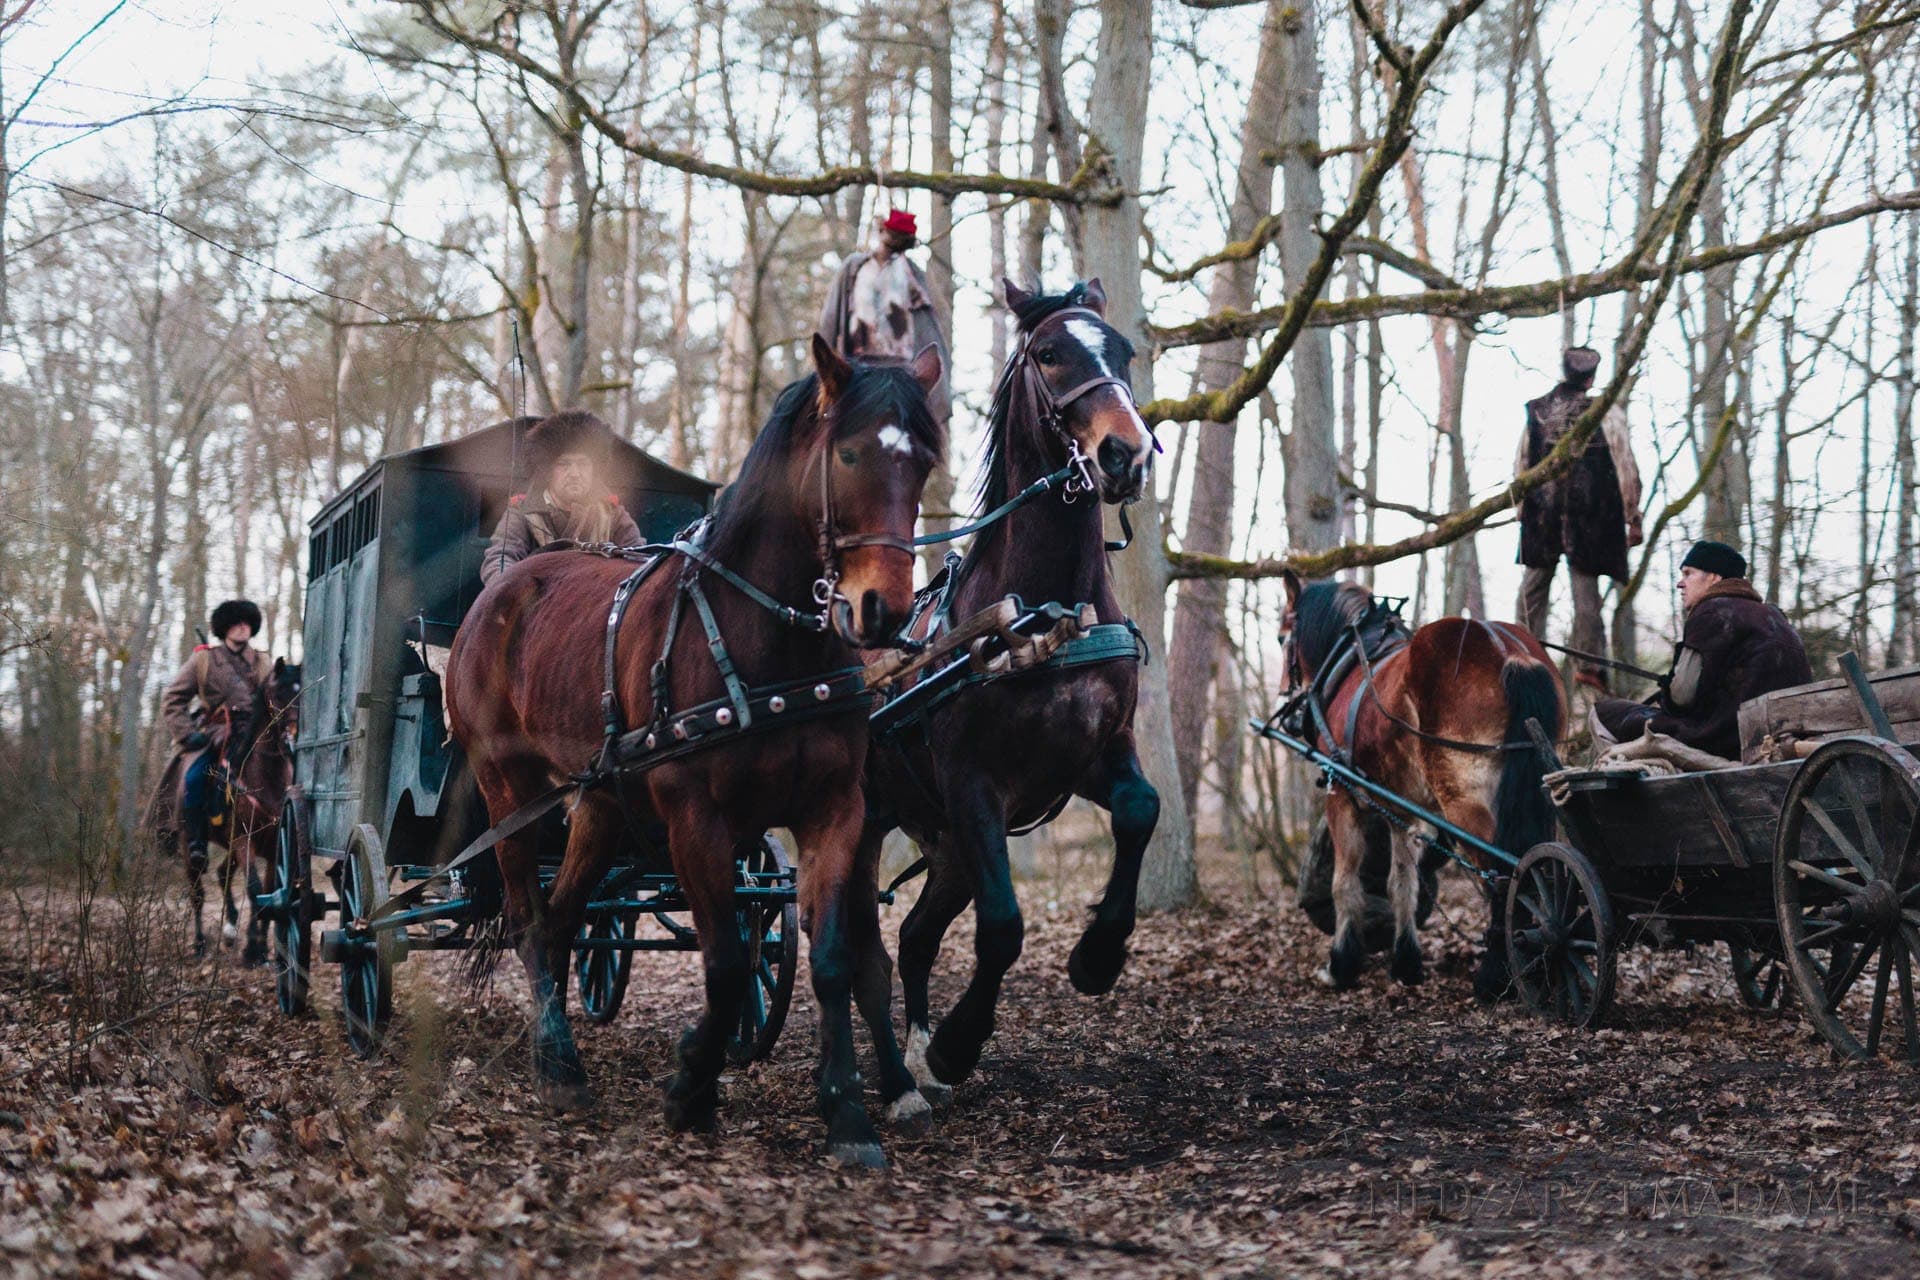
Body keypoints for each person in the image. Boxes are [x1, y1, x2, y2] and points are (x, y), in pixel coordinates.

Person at [1592, 540, 1812, 761]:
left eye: (1688, 574)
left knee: (1603, 713)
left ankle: (1637, 783)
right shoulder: (1775, 617)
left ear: (1714, 577)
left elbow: (1682, 697)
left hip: (1721, 739)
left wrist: (1667, 693)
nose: (1680, 583)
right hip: (1772, 736)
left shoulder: (1711, 611)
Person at [1515, 346, 1644, 694]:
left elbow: (1521, 463)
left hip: (1545, 514)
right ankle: (1587, 665)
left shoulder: (1537, 410)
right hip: (1589, 515)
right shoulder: (1607, 413)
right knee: (1584, 596)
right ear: (1591, 377)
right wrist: (1633, 516)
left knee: (1533, 590)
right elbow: (1624, 463)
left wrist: (1521, 510)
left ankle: (1522, 651)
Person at [160, 599, 275, 872]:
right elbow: (172, 699)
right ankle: (196, 842)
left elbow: (276, 698)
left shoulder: (262, 661)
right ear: (224, 628)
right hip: (217, 734)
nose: (242, 627)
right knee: (195, 777)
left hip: (256, 733)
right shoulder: (203, 660)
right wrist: (188, 734)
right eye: (236, 622)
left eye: (247, 622)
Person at [816, 207, 950, 428]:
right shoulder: (854, 267)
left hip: (899, 370)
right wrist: (827, 363)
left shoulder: (912, 274)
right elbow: (831, 317)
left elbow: (928, 324)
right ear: (881, 232)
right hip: (857, 368)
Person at [482, 410, 643, 584]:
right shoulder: (522, 511)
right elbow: (501, 556)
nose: (574, 473)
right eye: (563, 464)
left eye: (583, 464)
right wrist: (511, 589)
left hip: (598, 605)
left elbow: (639, 558)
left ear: (594, 469)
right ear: (548, 471)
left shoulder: (612, 514)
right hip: (537, 605)